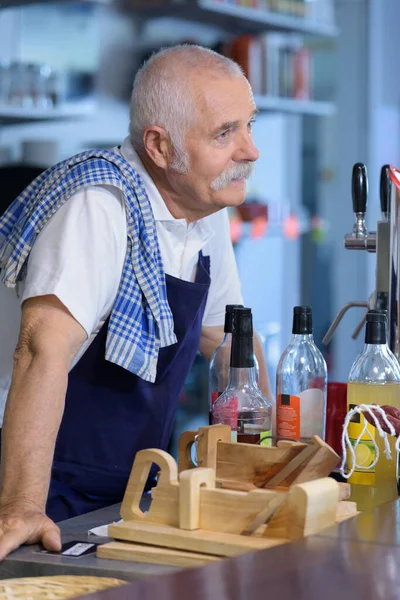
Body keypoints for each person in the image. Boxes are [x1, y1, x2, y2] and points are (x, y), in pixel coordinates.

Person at [0, 44, 272, 559]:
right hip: (36, 488)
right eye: (224, 133)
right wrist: (19, 507)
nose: (250, 151)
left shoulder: (204, 207)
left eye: (249, 125)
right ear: (160, 146)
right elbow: (40, 351)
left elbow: (227, 338)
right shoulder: (99, 205)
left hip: (127, 488)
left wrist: (273, 446)